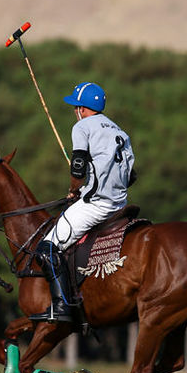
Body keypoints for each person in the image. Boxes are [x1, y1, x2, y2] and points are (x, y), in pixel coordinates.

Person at [29, 82, 135, 323]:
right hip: (120, 204)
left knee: (47, 249)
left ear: (82, 108)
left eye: (75, 107)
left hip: (97, 204)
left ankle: (61, 306)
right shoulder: (121, 132)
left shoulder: (83, 126)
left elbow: (77, 167)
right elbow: (131, 176)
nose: (74, 111)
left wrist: (74, 190)